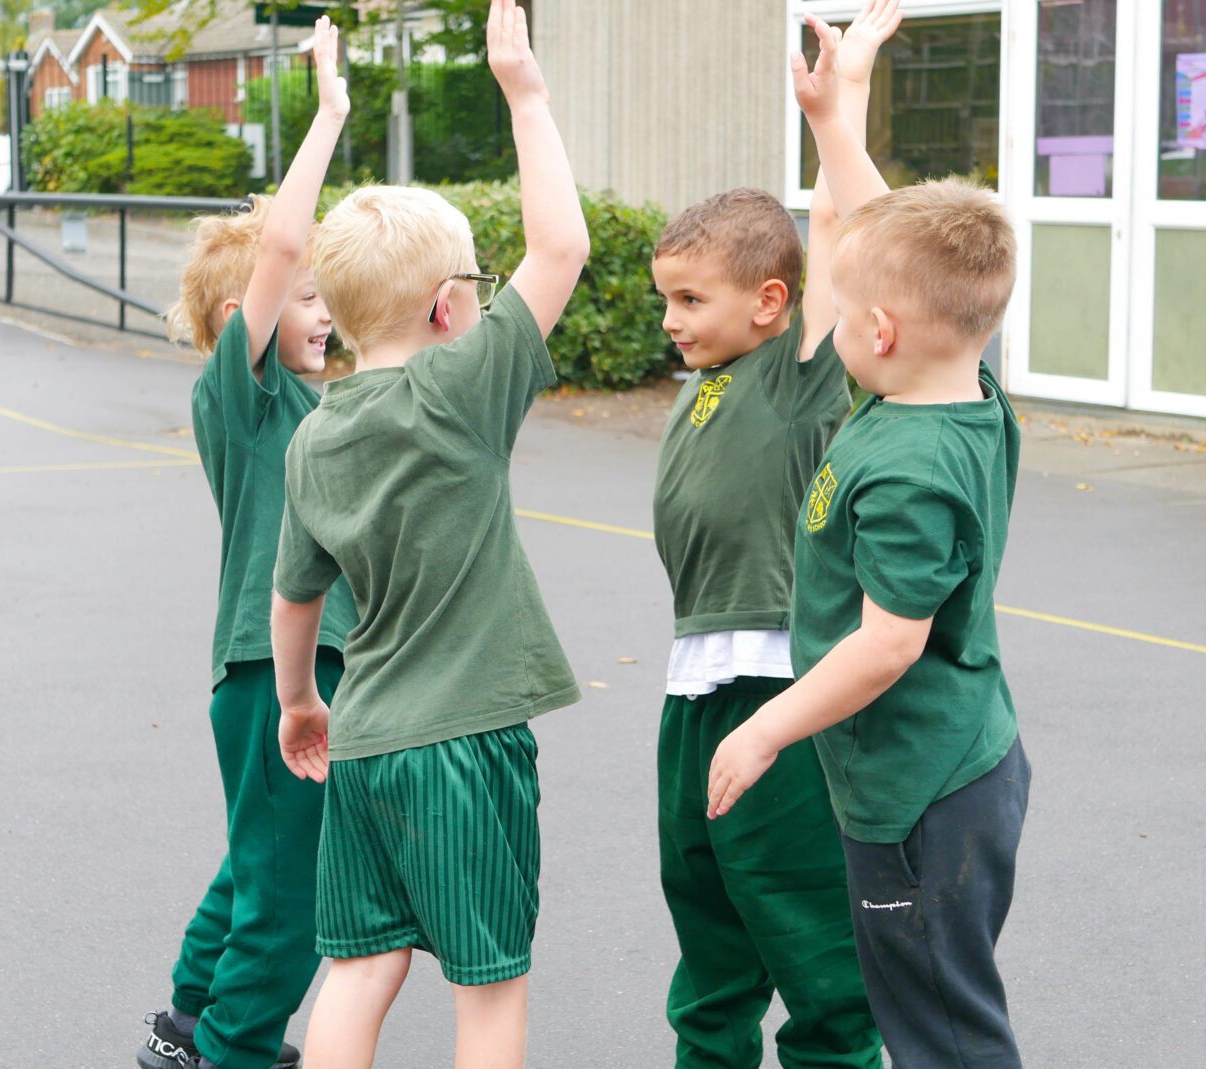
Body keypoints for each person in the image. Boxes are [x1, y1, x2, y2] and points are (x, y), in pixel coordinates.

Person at [265, 3, 588, 1067]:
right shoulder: (459, 391)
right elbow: (562, 245)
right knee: (489, 985)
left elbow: (294, 597)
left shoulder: (313, 437)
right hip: (463, 739)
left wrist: (301, 699)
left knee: (360, 969)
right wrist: (524, 93)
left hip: (363, 741)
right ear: (452, 307)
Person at [707, 14, 1030, 1069]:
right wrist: (834, 112)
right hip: (943, 767)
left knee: (942, 1029)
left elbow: (888, 644)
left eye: (839, 308)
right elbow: (883, 236)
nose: (828, 323)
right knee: (930, 1011)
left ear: (879, 330)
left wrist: (764, 732)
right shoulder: (963, 385)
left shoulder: (908, 468)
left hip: (920, 793)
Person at [647, 6, 907, 1068]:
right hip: (693, 690)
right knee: (706, 938)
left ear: (769, 303)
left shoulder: (800, 375)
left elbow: (843, 230)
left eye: (688, 299)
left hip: (776, 689)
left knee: (808, 945)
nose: (669, 318)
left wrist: (838, 101)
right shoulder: (705, 382)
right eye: (664, 297)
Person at [138, 20, 356, 1069]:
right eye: (310, 298)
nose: (325, 312)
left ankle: (191, 1013)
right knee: (293, 882)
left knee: (260, 858)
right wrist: (327, 113)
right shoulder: (243, 395)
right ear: (246, 319)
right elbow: (279, 248)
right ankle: (234, 1046)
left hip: (305, 665)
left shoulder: (322, 407)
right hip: (273, 669)